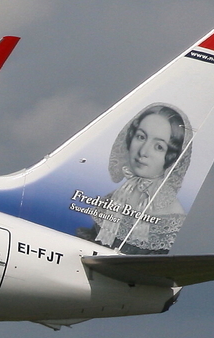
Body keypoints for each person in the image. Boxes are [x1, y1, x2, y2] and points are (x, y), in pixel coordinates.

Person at [79, 104, 192, 254]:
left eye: (159, 147)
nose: (143, 151)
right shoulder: (115, 198)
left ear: (171, 156)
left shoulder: (171, 216)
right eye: (140, 137)